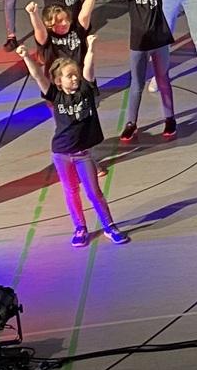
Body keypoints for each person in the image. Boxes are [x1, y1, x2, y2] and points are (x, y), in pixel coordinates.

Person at [17, 36, 128, 248]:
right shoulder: (54, 96)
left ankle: (109, 226)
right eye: (69, 76)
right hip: (61, 153)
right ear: (59, 81)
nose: (75, 79)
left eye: (75, 75)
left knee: (94, 192)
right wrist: (26, 58)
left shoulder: (86, 90)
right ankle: (80, 227)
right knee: (71, 191)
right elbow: (38, 75)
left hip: (83, 154)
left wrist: (92, 47)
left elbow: (89, 65)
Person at [117, 0, 178, 143]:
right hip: (139, 44)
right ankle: (130, 123)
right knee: (137, 84)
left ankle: (170, 118)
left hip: (159, 42)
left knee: (163, 80)